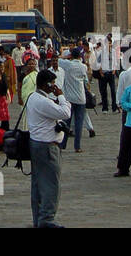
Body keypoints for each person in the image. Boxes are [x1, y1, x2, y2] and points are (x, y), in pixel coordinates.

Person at [25, 68, 72, 227]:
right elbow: (65, 112)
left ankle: (38, 219)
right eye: (52, 83)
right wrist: (60, 95)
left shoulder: (33, 97)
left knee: (38, 184)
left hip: (36, 143)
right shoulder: (43, 101)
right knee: (51, 185)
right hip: (47, 147)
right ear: (47, 85)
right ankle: (47, 220)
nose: (54, 86)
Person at [58, 48, 89, 153]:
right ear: (80, 56)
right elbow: (86, 79)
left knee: (66, 122)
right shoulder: (83, 66)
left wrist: (66, 57)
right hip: (81, 98)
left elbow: (57, 59)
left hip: (69, 98)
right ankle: (77, 146)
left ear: (71, 55)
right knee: (79, 124)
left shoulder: (67, 64)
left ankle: (62, 144)